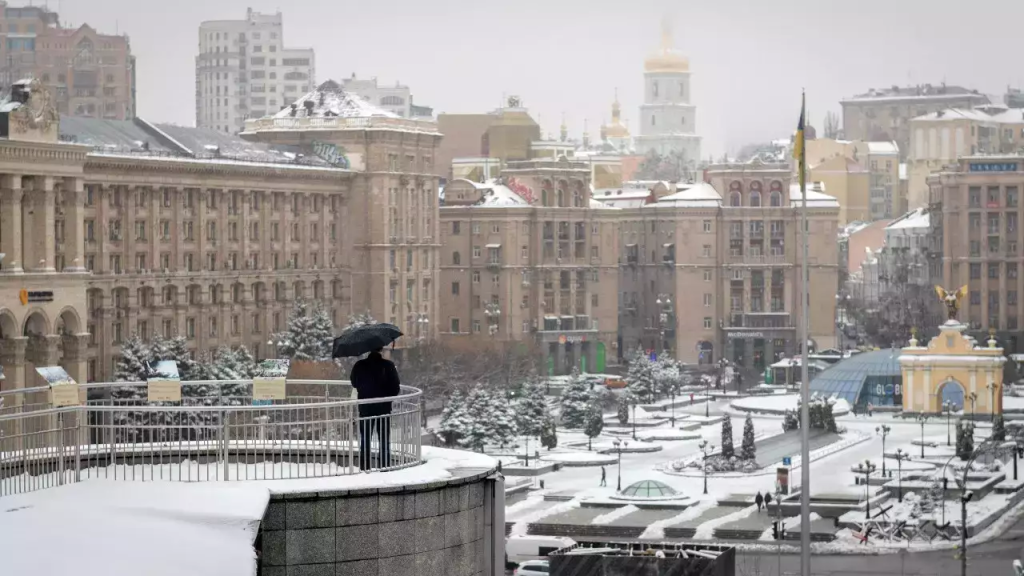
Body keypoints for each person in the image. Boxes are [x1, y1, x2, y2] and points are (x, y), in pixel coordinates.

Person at [350, 347, 402, 470]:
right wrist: (386, 397)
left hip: (365, 408)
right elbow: (395, 388)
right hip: (383, 408)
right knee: (384, 440)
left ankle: (365, 467)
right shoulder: (388, 365)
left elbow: (354, 383)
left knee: (365, 440)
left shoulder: (360, 365)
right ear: (381, 350)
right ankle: (384, 467)